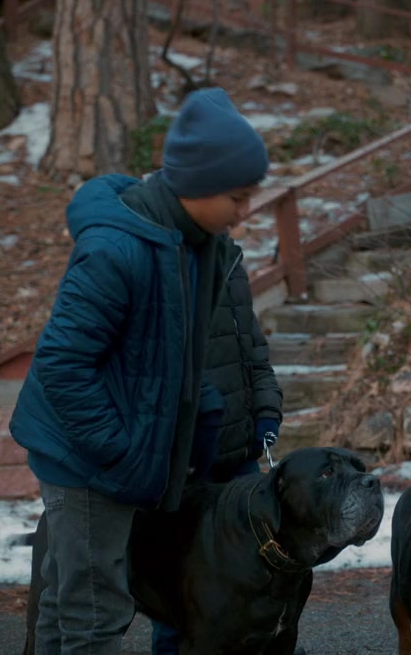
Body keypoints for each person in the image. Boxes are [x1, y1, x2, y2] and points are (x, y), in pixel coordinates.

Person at [9, 87, 269, 655]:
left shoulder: (196, 246)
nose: (245, 211)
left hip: (113, 453)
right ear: (198, 185)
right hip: (84, 461)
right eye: (237, 197)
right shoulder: (117, 250)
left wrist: (200, 420)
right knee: (95, 611)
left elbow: (178, 355)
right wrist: (119, 451)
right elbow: (61, 363)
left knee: (65, 602)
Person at [148, 241, 284, 655]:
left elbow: (253, 353)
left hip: (240, 458)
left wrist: (267, 412)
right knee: (178, 588)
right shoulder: (158, 259)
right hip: (184, 463)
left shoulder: (231, 260)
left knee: (255, 575)